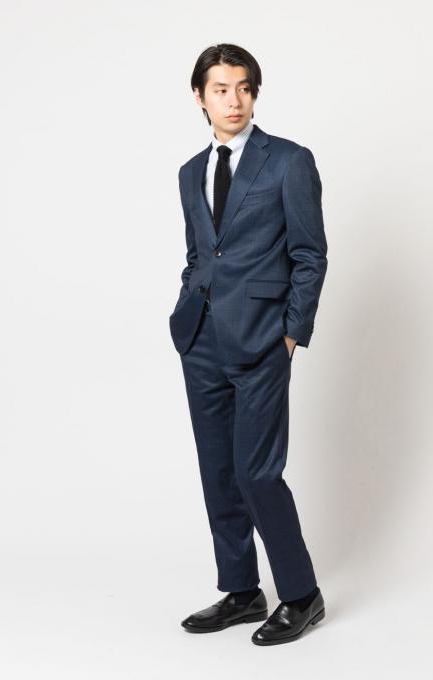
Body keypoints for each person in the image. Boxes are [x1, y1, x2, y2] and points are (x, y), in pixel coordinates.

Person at [169, 43, 328, 646]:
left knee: (256, 473)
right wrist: (186, 311)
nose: (233, 100)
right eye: (220, 89)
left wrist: (291, 333)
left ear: (254, 93)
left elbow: (310, 254)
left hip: (263, 339)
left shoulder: (288, 161)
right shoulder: (190, 171)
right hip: (201, 340)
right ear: (200, 97)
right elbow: (199, 255)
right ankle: (241, 590)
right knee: (218, 472)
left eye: (243, 87)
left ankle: (302, 594)